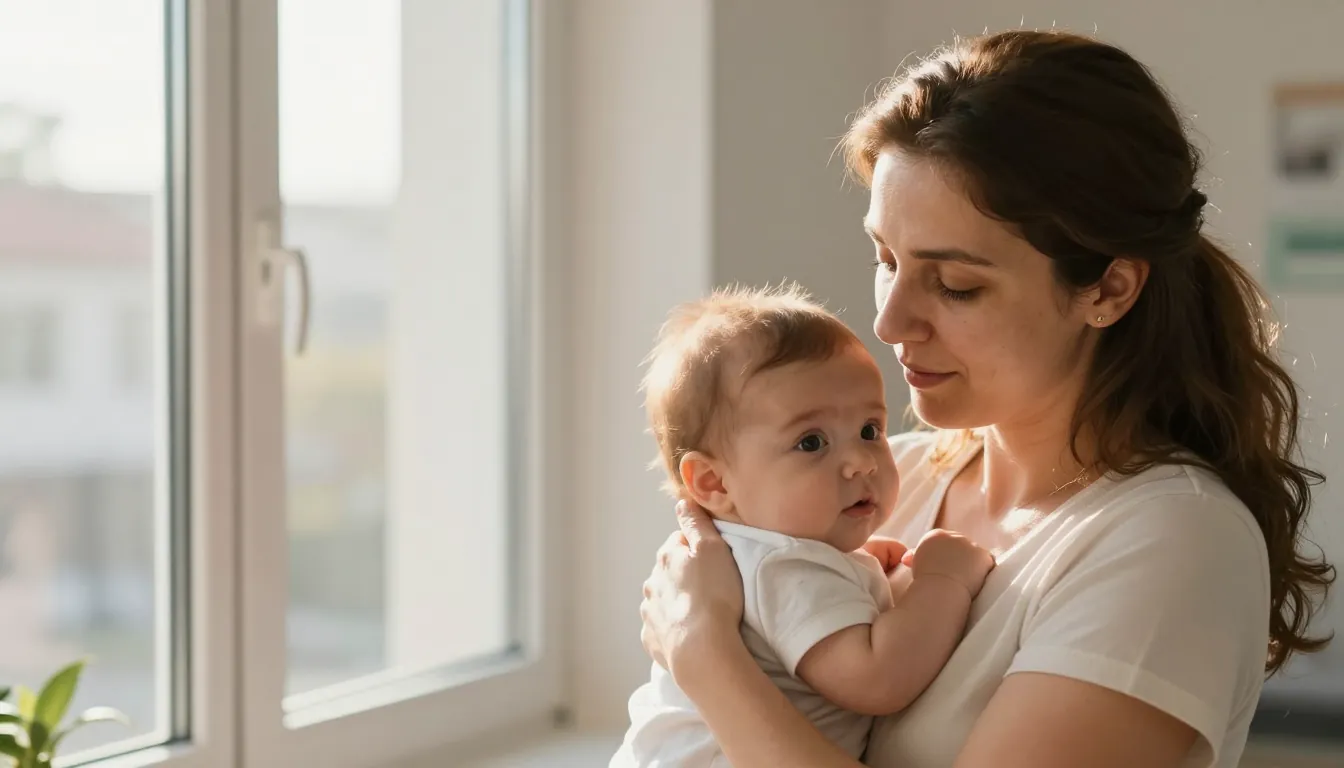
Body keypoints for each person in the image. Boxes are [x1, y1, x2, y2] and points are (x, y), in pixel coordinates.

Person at [635, 29, 1335, 768]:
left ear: (1107, 288)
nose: (888, 321)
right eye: (886, 259)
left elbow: (708, 654)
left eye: (955, 284)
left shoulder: (1171, 541)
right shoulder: (876, 481)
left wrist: (703, 654)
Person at [610, 285, 995, 766]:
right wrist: (944, 581)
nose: (860, 461)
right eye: (811, 443)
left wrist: (855, 571)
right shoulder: (784, 568)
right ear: (713, 482)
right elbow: (878, 679)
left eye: (869, 430)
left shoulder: (761, 560)